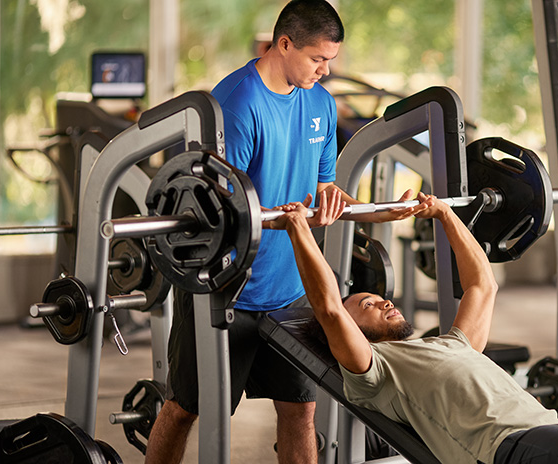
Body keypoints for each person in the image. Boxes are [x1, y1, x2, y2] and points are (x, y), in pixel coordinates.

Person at [145, 2, 425, 463]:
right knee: (185, 409)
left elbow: (322, 195)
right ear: (284, 43)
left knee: (300, 410)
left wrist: (376, 213)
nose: (326, 70)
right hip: (227, 290)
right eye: (318, 58)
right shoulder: (235, 104)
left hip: (291, 290)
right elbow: (220, 212)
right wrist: (296, 218)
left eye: (331, 59)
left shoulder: (319, 102)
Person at [270, 191, 558, 464]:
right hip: (506, 450)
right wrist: (298, 230)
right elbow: (328, 308)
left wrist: (444, 215)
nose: (384, 299)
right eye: (367, 304)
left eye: (378, 296)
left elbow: (482, 285)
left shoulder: (452, 343)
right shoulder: (372, 372)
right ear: (351, 331)